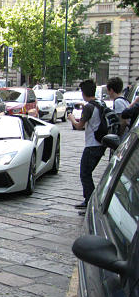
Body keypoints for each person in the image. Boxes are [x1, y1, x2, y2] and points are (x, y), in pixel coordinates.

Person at [67, 79, 106, 211]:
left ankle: (90, 202)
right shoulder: (101, 104)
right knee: (87, 173)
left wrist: (71, 118)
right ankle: (89, 200)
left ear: (83, 93)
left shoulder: (89, 107)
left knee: (85, 174)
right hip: (100, 144)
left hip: (92, 145)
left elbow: (79, 126)